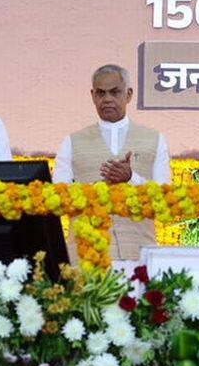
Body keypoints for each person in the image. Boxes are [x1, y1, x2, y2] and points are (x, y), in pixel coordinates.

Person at [52, 65, 172, 262]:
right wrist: (98, 190)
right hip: (86, 256)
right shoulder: (71, 142)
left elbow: (165, 200)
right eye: (100, 93)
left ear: (129, 94)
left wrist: (131, 178)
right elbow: (58, 200)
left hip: (138, 253)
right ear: (92, 96)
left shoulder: (154, 139)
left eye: (115, 92)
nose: (107, 99)